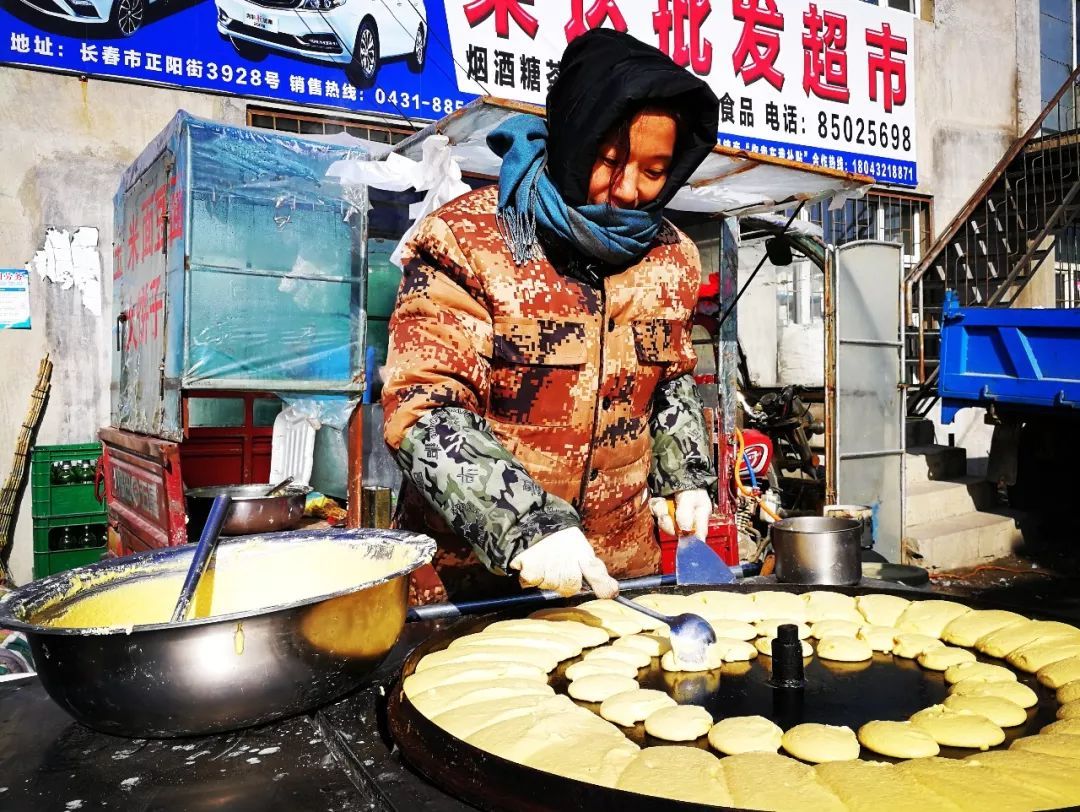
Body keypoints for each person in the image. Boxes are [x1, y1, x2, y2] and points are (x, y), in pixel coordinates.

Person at [382, 29, 720, 604]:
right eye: (608, 160)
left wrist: (685, 475)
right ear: (572, 139)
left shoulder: (672, 258)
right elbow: (423, 411)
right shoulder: (470, 240)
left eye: (656, 170)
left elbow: (670, 380)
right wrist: (526, 523)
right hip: (476, 585)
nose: (628, 190)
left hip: (618, 581)